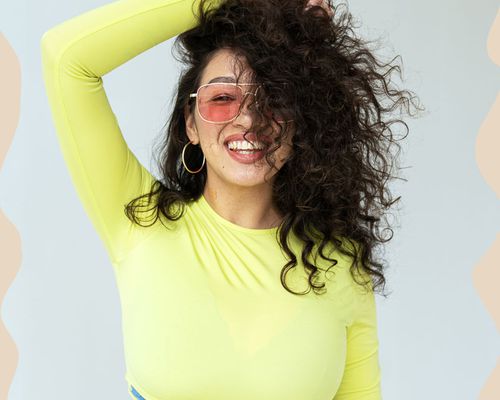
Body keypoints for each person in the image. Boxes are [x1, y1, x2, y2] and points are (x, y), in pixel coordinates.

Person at [41, 0, 420, 398]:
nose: (248, 120)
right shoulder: (141, 221)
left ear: (301, 121)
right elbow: (65, 56)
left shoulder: (339, 261)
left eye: (273, 99)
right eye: (222, 98)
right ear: (190, 122)